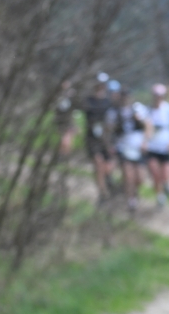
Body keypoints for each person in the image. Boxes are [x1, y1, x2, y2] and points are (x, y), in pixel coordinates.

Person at [144, 83, 169, 207]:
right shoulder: (147, 110)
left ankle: (166, 186)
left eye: (160, 95)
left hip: (165, 145)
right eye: (156, 95)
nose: (158, 98)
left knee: (166, 174)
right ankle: (159, 196)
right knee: (154, 173)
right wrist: (144, 142)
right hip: (152, 146)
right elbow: (145, 128)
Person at [114, 89, 151, 213]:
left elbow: (148, 126)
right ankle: (131, 200)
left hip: (138, 148)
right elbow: (109, 129)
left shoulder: (138, 109)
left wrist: (145, 142)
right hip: (124, 148)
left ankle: (134, 191)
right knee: (128, 176)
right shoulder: (115, 112)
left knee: (140, 178)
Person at [82, 73, 115, 202]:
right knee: (98, 163)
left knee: (108, 167)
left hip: (106, 138)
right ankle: (102, 193)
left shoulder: (108, 102)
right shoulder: (88, 101)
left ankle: (108, 184)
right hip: (92, 138)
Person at [54, 80, 76, 156]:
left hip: (67, 121)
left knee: (67, 137)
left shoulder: (71, 96)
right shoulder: (58, 96)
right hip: (62, 121)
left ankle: (65, 152)